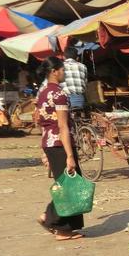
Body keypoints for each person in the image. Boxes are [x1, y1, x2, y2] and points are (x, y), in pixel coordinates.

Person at [35, 57, 84, 241]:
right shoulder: (58, 94)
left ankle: (65, 227)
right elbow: (62, 126)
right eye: (62, 70)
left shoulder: (43, 93)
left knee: (66, 184)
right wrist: (70, 155)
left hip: (49, 142)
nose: (64, 73)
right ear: (54, 71)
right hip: (60, 144)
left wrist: (43, 149)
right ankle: (53, 220)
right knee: (68, 186)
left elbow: (41, 122)